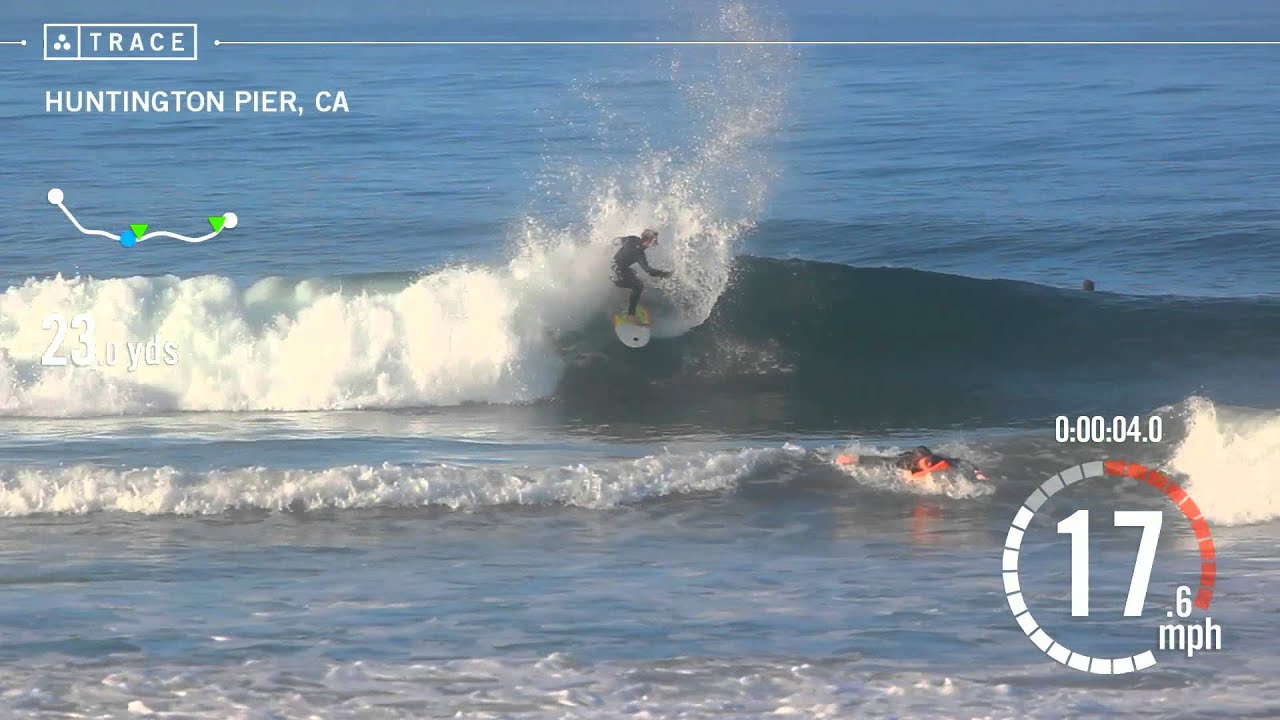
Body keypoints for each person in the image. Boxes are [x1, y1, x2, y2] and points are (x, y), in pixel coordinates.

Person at [833, 445, 987, 481]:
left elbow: (962, 462)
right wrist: (853, 460)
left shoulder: (937, 460)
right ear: (918, 461)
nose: (930, 463)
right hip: (905, 460)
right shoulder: (906, 463)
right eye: (926, 462)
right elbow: (879, 461)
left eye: (930, 461)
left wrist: (977, 472)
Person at [612, 229, 671, 318]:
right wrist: (665, 274)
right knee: (639, 286)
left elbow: (617, 240)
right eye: (654, 240)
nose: (656, 243)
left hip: (612, 267)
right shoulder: (639, 253)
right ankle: (631, 313)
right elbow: (649, 271)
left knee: (633, 274)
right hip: (616, 275)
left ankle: (624, 296)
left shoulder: (632, 238)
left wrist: (607, 248)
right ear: (648, 240)